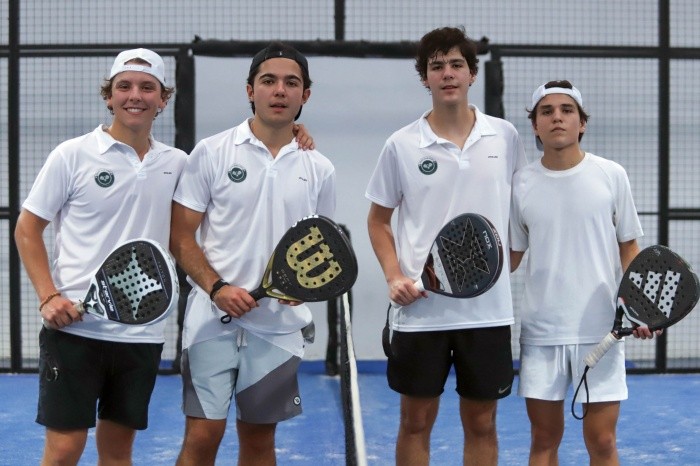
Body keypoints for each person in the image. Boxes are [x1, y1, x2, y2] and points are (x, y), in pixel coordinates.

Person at [14, 48, 187, 465]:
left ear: (163, 99)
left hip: (141, 335)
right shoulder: (72, 155)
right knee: (64, 451)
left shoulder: (179, 163)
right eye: (124, 86)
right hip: (74, 331)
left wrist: (294, 131)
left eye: (148, 87)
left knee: (117, 453)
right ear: (109, 96)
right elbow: (27, 229)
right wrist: (48, 296)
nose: (135, 95)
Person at [365, 26, 527, 466]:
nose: (448, 73)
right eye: (437, 66)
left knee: (482, 423)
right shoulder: (401, 145)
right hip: (420, 314)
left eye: (457, 65)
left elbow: (520, 212)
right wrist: (394, 276)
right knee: (415, 422)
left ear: (472, 73)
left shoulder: (505, 137)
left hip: (488, 314)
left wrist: (501, 266)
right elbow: (378, 221)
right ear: (426, 78)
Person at [170, 41, 335, 466]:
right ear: (250, 90)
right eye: (268, 81)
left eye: (291, 83)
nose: (279, 90)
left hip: (277, 330)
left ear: (305, 94)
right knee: (202, 436)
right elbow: (181, 236)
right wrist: (217, 288)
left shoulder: (319, 168)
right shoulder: (212, 152)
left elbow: (321, 246)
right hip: (210, 324)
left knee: (260, 441)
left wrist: (304, 290)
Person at [509, 80, 657, 465]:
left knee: (603, 442)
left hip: (601, 331)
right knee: (543, 439)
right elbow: (512, 256)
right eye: (547, 111)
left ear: (582, 123)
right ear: (535, 126)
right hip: (542, 333)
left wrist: (643, 308)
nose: (557, 117)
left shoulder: (611, 174)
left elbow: (629, 248)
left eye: (567, 110)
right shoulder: (520, 183)